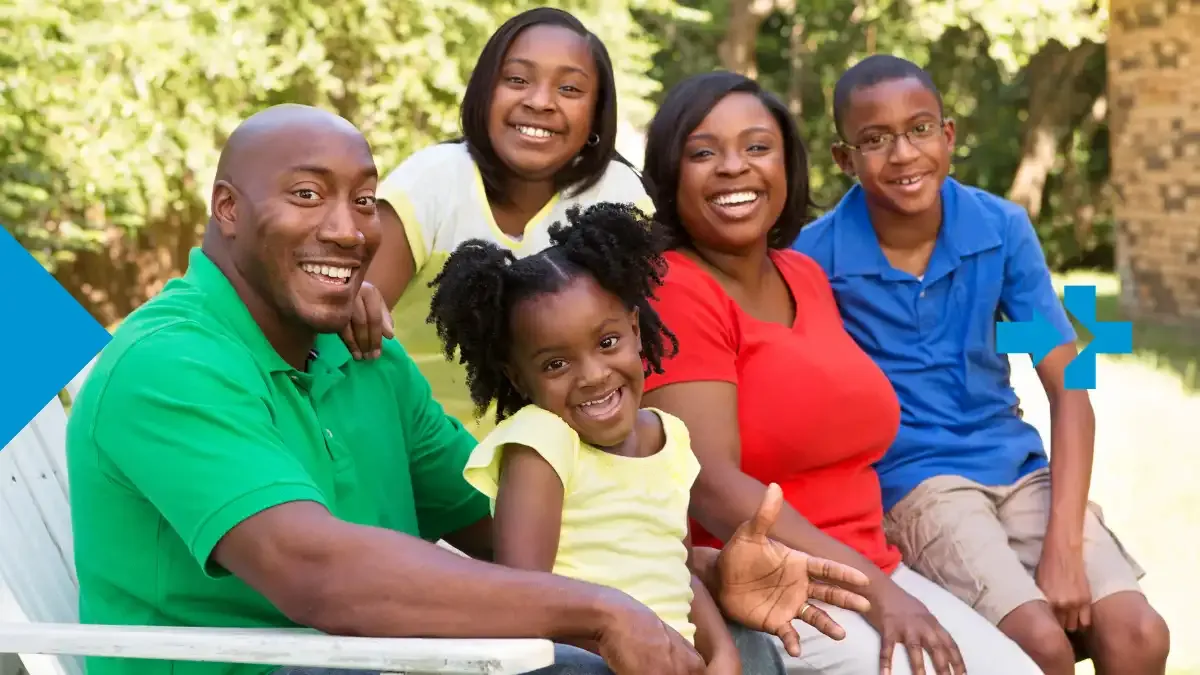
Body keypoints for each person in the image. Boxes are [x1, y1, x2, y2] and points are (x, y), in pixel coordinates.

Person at [64, 103, 872, 675]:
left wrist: (685, 572)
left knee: (742, 639)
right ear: (227, 209)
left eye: (363, 199)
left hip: (377, 657)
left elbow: (509, 525)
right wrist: (602, 612)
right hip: (275, 664)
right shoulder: (170, 365)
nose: (348, 229)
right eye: (307, 195)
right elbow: (315, 571)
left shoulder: (361, 354)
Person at [637, 71, 1044, 675]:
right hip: (777, 586)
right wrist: (883, 596)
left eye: (757, 147)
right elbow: (712, 483)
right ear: (672, 175)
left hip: (882, 558)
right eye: (703, 152)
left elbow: (1063, 360)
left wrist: (888, 583)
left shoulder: (804, 274)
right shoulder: (675, 288)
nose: (733, 167)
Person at [791, 54, 1170, 675]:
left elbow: (1071, 384)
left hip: (1016, 465)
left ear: (949, 136)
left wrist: (1065, 548)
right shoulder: (817, 259)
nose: (904, 153)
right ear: (844, 160)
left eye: (919, 129)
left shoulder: (1000, 230)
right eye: (875, 140)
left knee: (1139, 634)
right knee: (1040, 644)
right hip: (917, 482)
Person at [339, 7, 652, 438]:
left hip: (579, 456)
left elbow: (640, 346)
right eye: (518, 80)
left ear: (596, 115)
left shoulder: (618, 195)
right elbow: (354, 323)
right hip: (427, 451)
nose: (540, 101)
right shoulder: (433, 179)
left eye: (569, 88)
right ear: (485, 93)